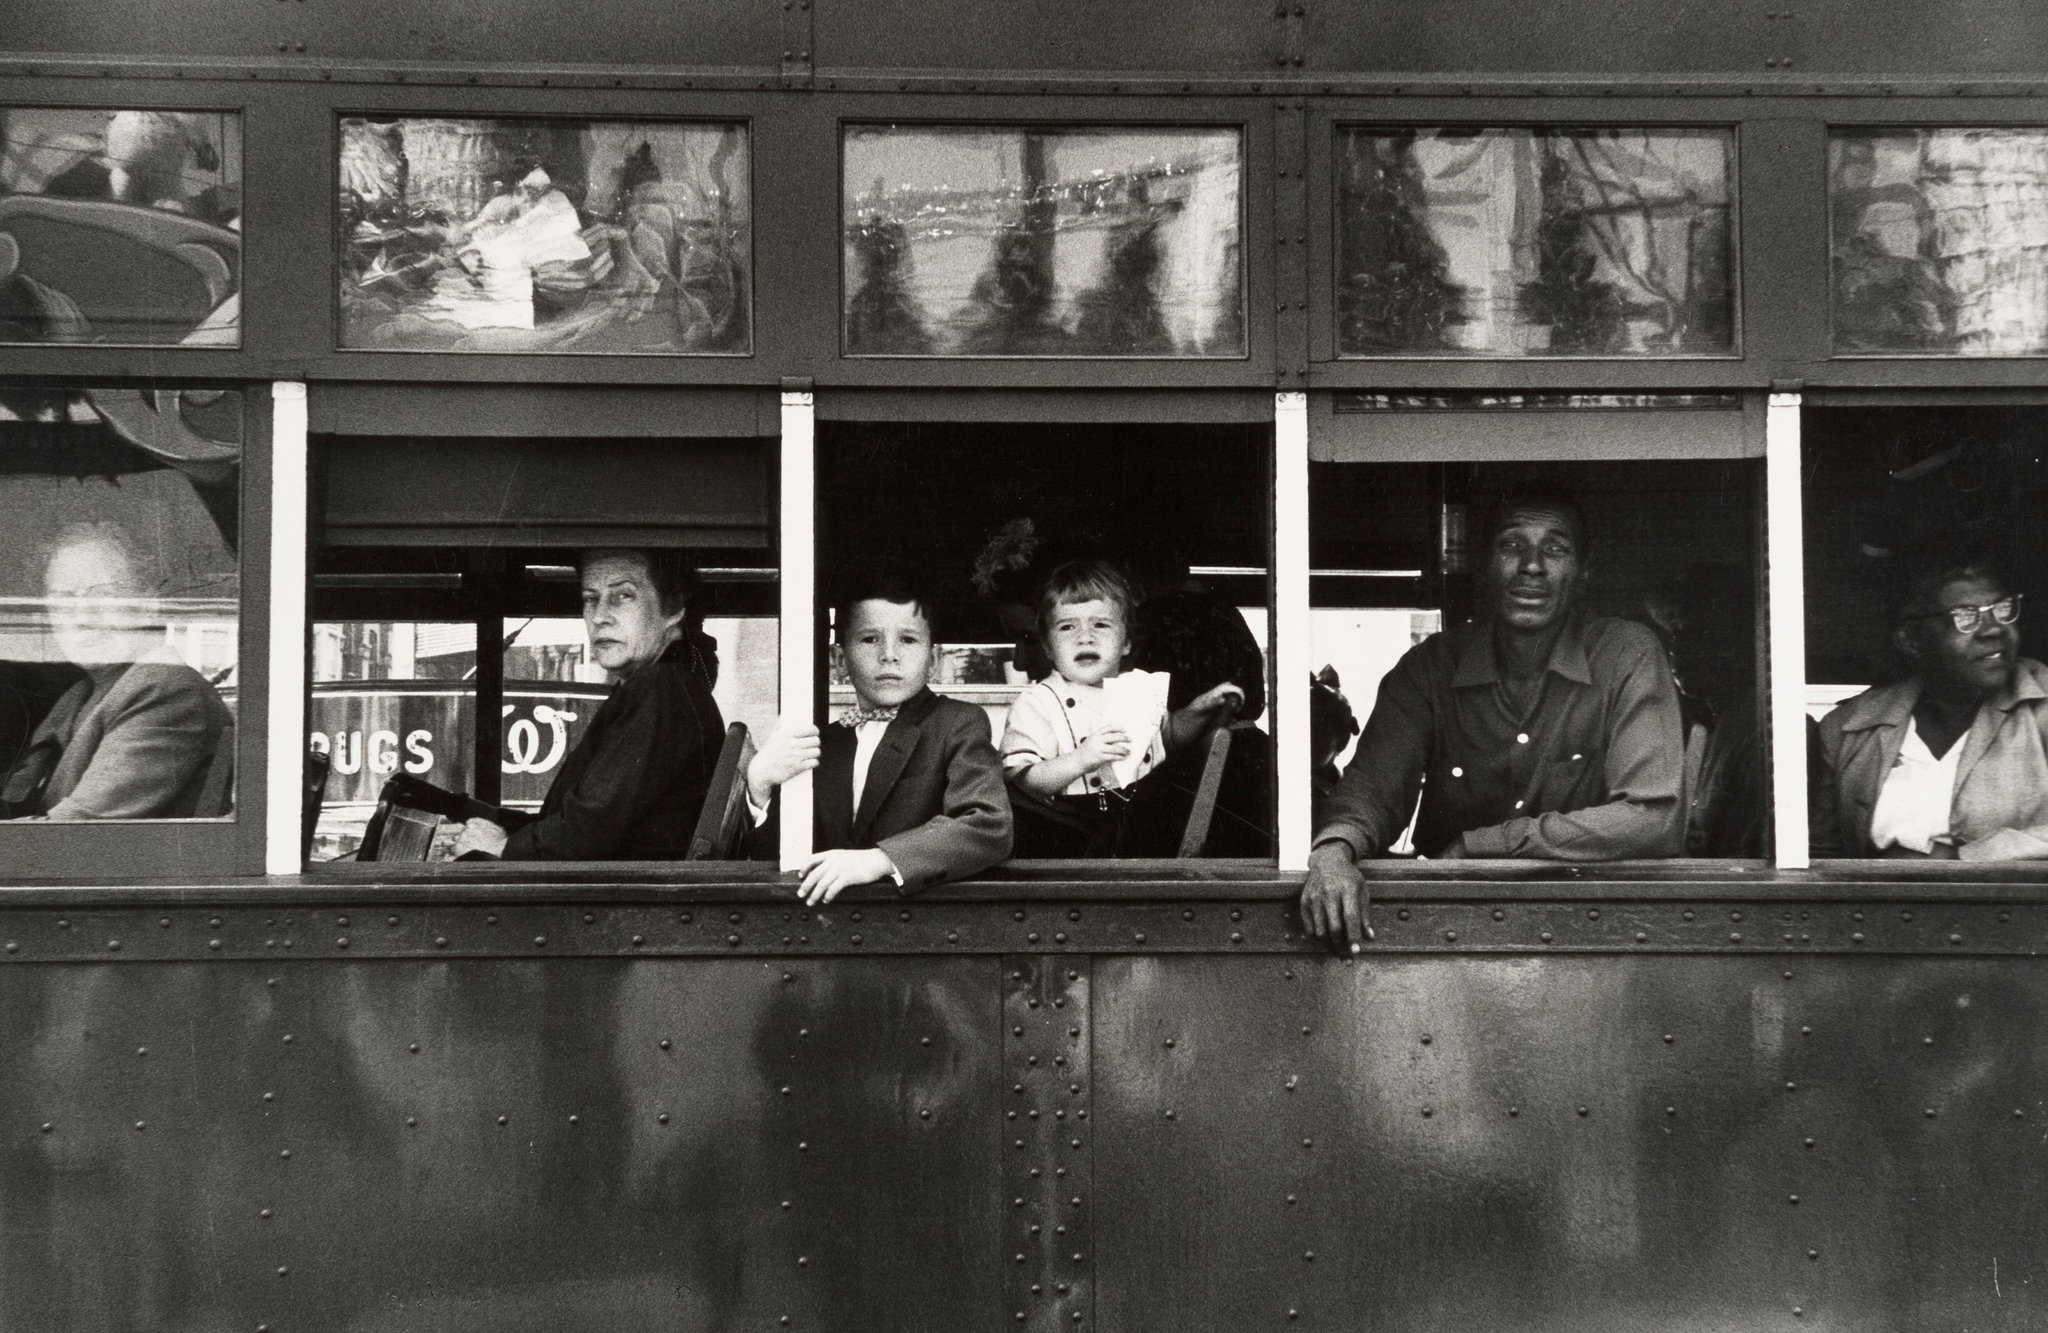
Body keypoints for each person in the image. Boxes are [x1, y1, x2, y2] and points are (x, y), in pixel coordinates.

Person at [1302, 489, 1686, 950]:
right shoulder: (1430, 668)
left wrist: (1482, 845)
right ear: (1485, 563)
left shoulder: (1626, 655)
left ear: (1584, 571)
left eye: (1555, 548)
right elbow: (1372, 788)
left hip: (1590, 931)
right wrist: (1334, 852)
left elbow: (1652, 818)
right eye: (1511, 545)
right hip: (1449, 931)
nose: (1532, 565)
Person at [745, 575, 1012, 904]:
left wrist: (878, 860)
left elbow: (988, 825)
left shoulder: (958, 723)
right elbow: (780, 860)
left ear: (933, 660)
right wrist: (759, 786)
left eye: (908, 640)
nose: (889, 655)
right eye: (870, 639)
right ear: (840, 660)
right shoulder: (821, 743)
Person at [450, 548, 725, 860]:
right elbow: (582, 822)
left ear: (673, 607)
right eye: (590, 599)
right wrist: (485, 823)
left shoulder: (661, 688)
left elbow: (586, 832)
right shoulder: (666, 685)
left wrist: (501, 847)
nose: (599, 617)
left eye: (623, 596)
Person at [1000, 559, 1244, 855]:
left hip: (1139, 823)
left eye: (1101, 624)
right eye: (1067, 627)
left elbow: (1169, 738)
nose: (1085, 637)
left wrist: (1199, 709)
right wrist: (1081, 759)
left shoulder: (1138, 688)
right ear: (1048, 647)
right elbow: (1023, 781)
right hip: (1073, 832)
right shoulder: (1037, 702)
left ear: (1126, 642)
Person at [1811, 559, 2048, 860]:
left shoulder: (2040, 708)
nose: (1994, 630)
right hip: (1879, 893)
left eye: (2002, 609)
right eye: (1965, 616)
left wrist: (1969, 860)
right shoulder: (1851, 727)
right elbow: (1821, 854)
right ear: (1911, 641)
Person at [1, 522, 233, 820]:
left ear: (148, 605)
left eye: (103, 595)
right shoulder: (79, 695)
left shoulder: (165, 689)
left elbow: (75, 829)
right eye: (64, 599)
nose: (82, 617)